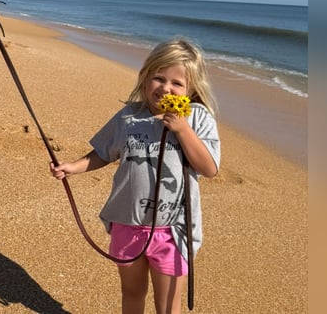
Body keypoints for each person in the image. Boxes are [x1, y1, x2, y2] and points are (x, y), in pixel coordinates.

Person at [50, 39, 221, 314]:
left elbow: (209, 168)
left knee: (167, 305)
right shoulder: (129, 117)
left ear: (191, 90)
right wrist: (72, 167)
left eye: (177, 84)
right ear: (144, 78)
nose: (166, 88)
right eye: (158, 78)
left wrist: (182, 130)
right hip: (128, 224)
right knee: (131, 293)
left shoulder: (198, 119)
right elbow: (104, 153)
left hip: (172, 229)